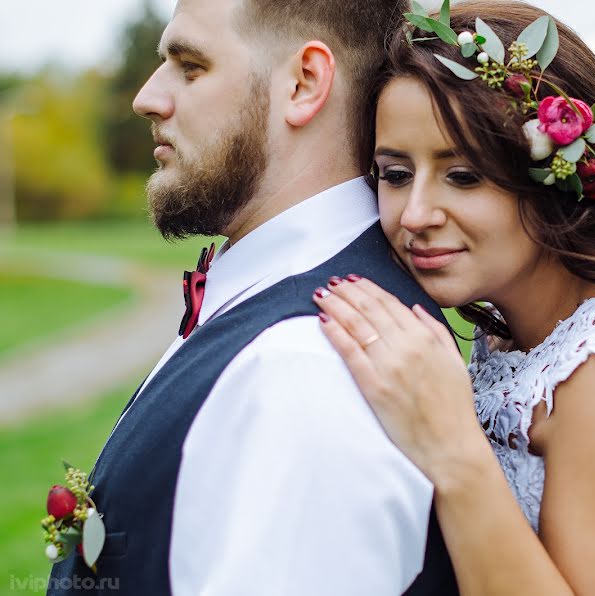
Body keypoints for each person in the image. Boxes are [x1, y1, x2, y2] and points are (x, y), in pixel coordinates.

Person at [313, 1, 595, 594]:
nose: (415, 215)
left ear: (556, 175)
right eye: (395, 174)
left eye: (463, 176)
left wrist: (453, 448)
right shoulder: (510, 332)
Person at [47, 0, 459, 594]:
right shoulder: (282, 317)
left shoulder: (306, 366)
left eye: (189, 66)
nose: (147, 97)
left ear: (303, 83)